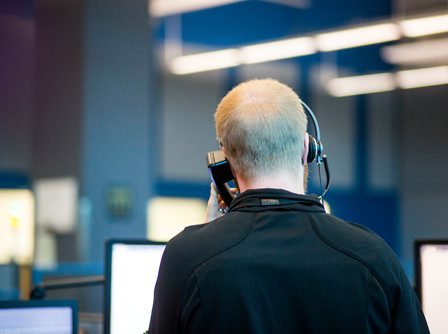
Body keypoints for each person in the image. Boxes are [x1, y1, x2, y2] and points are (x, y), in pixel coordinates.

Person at [148, 79, 429, 333]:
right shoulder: (372, 255)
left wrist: (206, 238)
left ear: (224, 163)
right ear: (308, 149)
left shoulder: (185, 256)